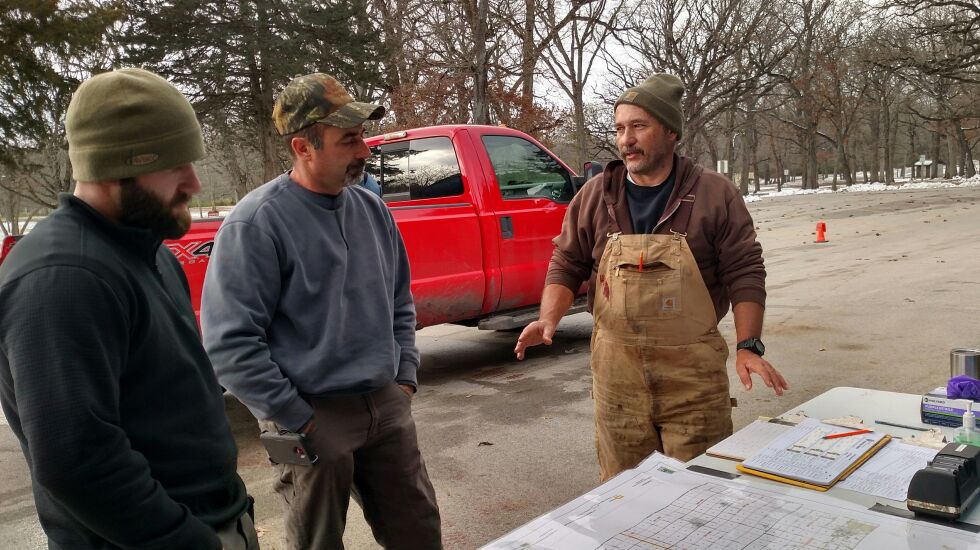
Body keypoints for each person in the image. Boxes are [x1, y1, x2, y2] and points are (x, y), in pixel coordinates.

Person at [0, 68, 257, 549]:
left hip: (215, 521)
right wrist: (188, 540)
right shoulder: (63, 277)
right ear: (115, 167)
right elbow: (76, 459)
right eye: (175, 165)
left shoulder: (148, 250)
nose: (194, 183)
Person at [201, 73, 441, 550]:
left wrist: (404, 378)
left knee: (419, 532)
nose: (364, 150)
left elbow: (398, 300)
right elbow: (230, 343)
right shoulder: (257, 224)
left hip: (385, 405)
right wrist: (297, 417)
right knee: (317, 542)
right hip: (312, 416)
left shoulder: (372, 210)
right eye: (348, 140)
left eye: (362, 136)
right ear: (303, 147)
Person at [514, 73, 789, 481]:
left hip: (692, 385)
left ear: (671, 132)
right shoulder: (594, 196)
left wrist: (749, 346)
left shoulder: (715, 194)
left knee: (698, 493)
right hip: (617, 384)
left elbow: (745, 270)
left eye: (639, 126)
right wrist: (548, 318)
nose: (626, 140)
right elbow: (567, 262)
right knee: (623, 494)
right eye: (620, 128)